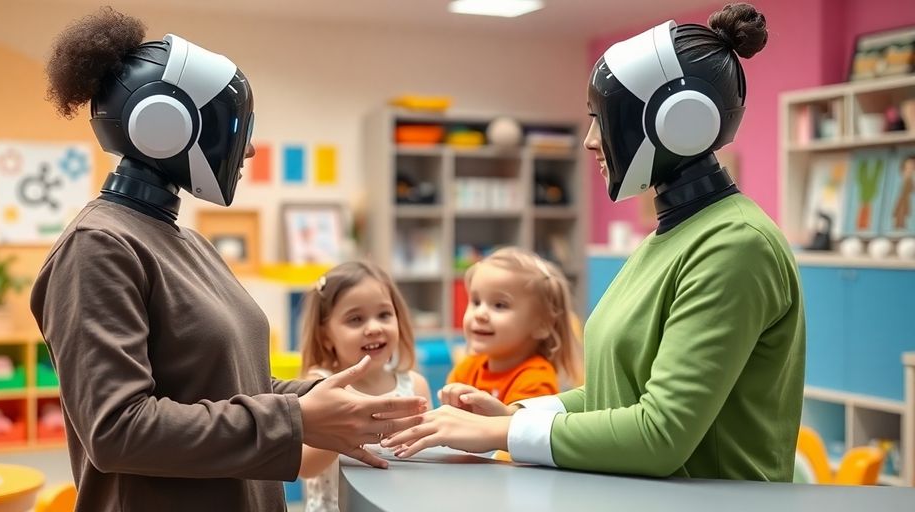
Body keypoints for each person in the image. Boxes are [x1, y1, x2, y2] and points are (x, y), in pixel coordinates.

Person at [385, 3, 806, 482]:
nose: (589, 141)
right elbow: (616, 393)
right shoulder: (670, 238)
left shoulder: (736, 247)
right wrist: (511, 414)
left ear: (676, 122)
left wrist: (502, 435)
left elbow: (660, 435)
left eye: (602, 120)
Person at [31, 8, 425, 511]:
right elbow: (117, 430)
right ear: (164, 125)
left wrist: (330, 398)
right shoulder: (98, 247)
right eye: (236, 126)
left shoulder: (188, 243)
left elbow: (237, 383)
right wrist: (298, 420)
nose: (251, 149)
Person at [296, 261, 432, 512]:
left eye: (384, 315)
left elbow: (427, 459)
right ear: (326, 336)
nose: (374, 328)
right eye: (355, 319)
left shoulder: (415, 385)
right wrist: (344, 429)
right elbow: (305, 467)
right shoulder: (320, 385)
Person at [443, 247, 583, 408]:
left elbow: (514, 430)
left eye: (499, 305)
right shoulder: (467, 367)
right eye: (476, 302)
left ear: (542, 325)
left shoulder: (535, 380)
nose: (480, 314)